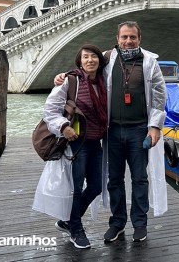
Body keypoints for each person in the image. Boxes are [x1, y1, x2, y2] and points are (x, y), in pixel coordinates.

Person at [54, 21, 168, 244]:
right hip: (112, 130)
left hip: (138, 130)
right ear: (117, 38)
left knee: (140, 178)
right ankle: (117, 223)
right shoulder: (107, 58)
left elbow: (159, 94)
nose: (128, 41)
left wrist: (155, 126)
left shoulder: (149, 62)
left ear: (139, 39)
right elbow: (86, 70)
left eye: (132, 37)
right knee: (114, 179)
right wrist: (63, 75)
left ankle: (139, 223)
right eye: (124, 37)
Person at [44, 44, 108, 249]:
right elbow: (50, 109)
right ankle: (76, 229)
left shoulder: (104, 81)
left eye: (94, 57)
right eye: (86, 57)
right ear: (79, 62)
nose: (90, 60)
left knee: (97, 186)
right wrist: (63, 126)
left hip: (96, 141)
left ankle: (69, 221)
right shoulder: (71, 81)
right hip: (76, 142)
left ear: (100, 60)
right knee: (76, 188)